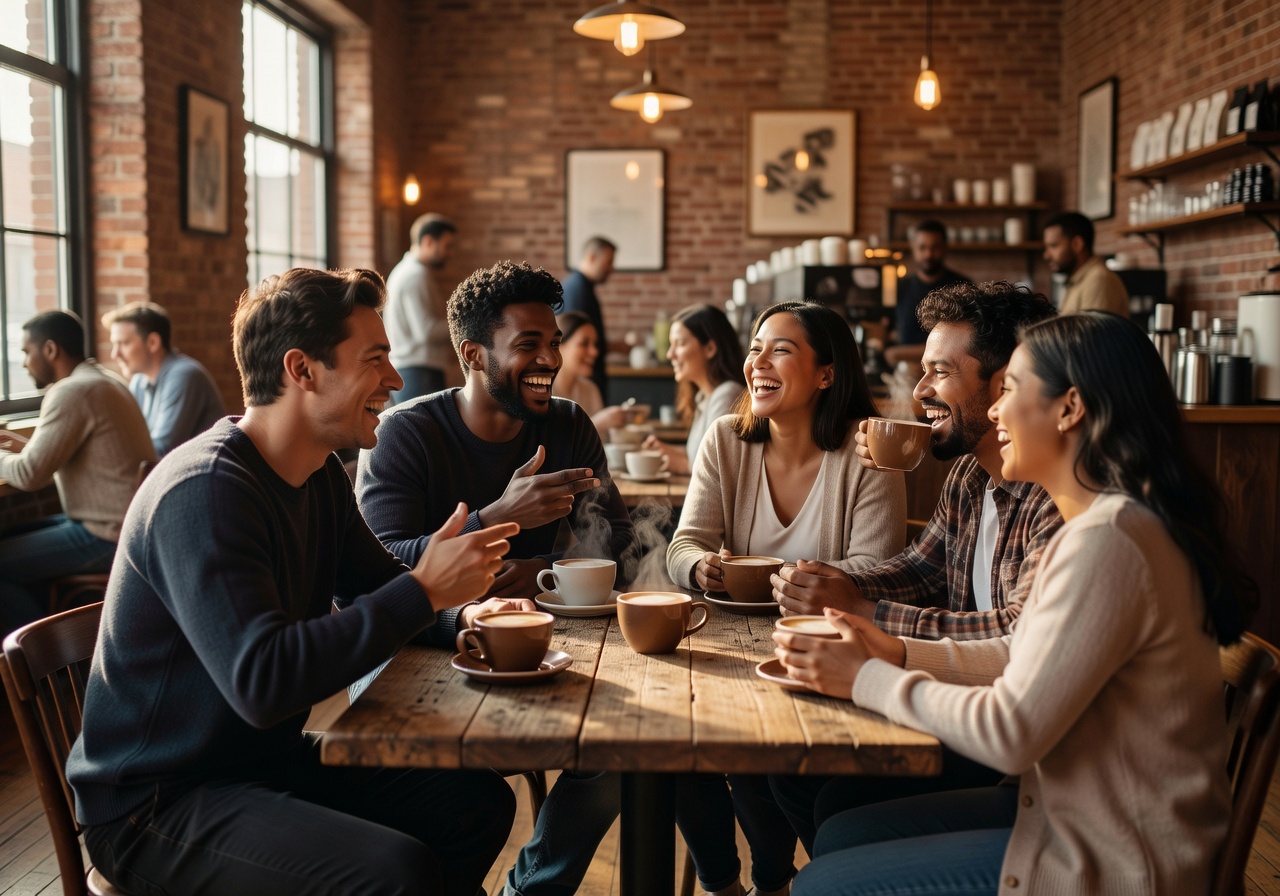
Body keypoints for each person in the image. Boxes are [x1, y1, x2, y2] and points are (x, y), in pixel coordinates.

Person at [66, 268, 524, 896]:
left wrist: (464, 615)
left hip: (262, 764)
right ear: (301, 370)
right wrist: (423, 591)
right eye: (374, 359)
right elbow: (263, 681)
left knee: (475, 802)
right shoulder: (205, 491)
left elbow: (374, 587)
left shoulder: (318, 476)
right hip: (157, 802)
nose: (395, 379)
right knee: (397, 872)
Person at [779, 311, 1254, 896]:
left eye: (1011, 389)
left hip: (1115, 861)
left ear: (1070, 408)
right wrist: (892, 651)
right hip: (1062, 811)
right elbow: (1017, 655)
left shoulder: (1109, 540)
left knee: (823, 884)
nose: (996, 411)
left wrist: (866, 676)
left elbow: (1011, 732)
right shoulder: (1108, 524)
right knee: (841, 831)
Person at [355, 259, 636, 896]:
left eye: (553, 342)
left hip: (532, 649)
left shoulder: (567, 424)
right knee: (460, 793)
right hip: (416, 657)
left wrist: (547, 574)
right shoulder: (405, 433)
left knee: (619, 754)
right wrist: (496, 518)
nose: (550, 360)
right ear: (473, 354)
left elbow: (621, 541)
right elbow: (379, 564)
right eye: (528, 345)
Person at [767, 282, 1061, 854]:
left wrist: (865, 613)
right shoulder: (971, 476)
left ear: (1004, 386)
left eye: (940, 372)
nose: (920, 390)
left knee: (835, 800)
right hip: (973, 706)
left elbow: (1017, 635)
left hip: (1019, 749)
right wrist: (836, 584)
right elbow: (921, 570)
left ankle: (850, 878)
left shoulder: (1057, 495)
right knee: (792, 769)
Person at [665, 301, 907, 896]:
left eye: (781, 350)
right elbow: (684, 544)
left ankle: (772, 882)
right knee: (669, 749)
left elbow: (879, 569)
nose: (758, 362)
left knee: (756, 754)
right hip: (728, 647)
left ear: (826, 373)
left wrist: (803, 581)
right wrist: (701, 568)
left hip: (824, 655)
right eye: (755, 349)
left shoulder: (867, 451)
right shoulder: (726, 440)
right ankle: (721, 883)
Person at [0, 310, 154, 634]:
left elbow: (29, 475)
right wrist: (18, 446)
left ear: (50, 350)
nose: (25, 363)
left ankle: (44, 654)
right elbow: (51, 455)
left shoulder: (71, 391)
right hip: (129, 526)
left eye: (27, 352)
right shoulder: (105, 380)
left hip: (107, 535)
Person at [102, 300, 226, 457]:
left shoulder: (183, 375)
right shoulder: (139, 381)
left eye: (124, 343)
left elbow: (162, 451)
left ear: (153, 342)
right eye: (114, 344)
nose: (115, 354)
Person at [641, 303, 746, 475]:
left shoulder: (727, 394)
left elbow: (718, 469)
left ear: (710, 348)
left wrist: (684, 465)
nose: (670, 354)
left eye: (680, 344)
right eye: (671, 345)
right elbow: (701, 453)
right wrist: (667, 450)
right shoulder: (704, 397)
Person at [385, 212, 458, 402]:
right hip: (418, 373)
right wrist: (466, 322)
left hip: (413, 371)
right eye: (447, 246)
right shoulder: (416, 275)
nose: (450, 253)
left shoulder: (407, 271)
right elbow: (426, 331)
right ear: (428, 242)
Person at [894, 219, 970, 349]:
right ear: (913, 249)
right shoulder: (899, 288)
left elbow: (967, 341)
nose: (928, 254)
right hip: (903, 362)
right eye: (922, 247)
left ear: (945, 248)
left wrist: (898, 353)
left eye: (935, 247)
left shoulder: (963, 287)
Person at [551, 310, 628, 435]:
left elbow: (600, 442)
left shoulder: (590, 389)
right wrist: (597, 423)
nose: (594, 352)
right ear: (558, 346)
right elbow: (550, 441)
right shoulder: (542, 393)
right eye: (584, 343)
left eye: (595, 344)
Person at [1042, 210, 1130, 316]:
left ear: (1077, 244)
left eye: (1053, 246)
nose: (1046, 255)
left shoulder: (1098, 280)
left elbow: (1091, 327)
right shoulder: (1078, 279)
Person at [560, 235, 616, 397]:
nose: (612, 268)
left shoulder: (581, 287)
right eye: (608, 262)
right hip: (582, 381)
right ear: (591, 257)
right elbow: (574, 337)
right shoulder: (578, 291)